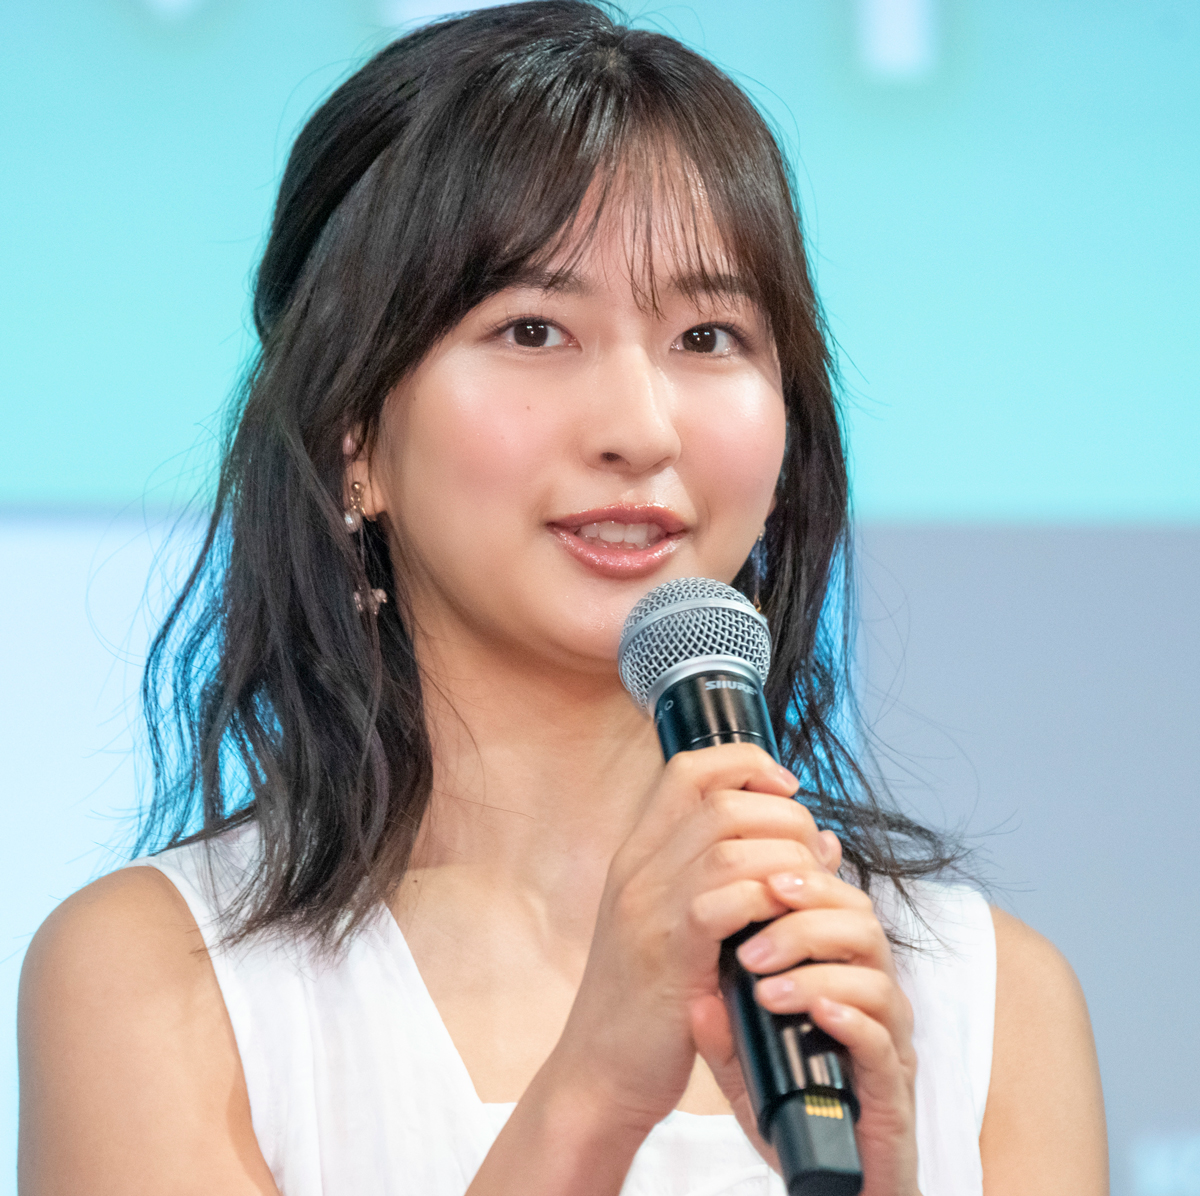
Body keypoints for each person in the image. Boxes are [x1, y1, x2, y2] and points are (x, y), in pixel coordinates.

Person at [17, 4, 1107, 1194]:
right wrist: (592, 1092)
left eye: (708, 335)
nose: (640, 427)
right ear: (352, 438)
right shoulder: (160, 978)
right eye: (533, 329)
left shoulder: (984, 1001)